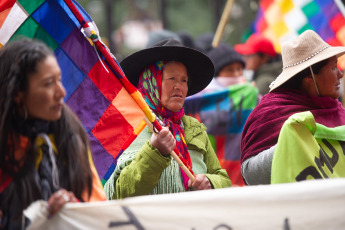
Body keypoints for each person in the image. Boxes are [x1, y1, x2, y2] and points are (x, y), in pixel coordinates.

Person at [104, 39, 232, 199]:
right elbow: (119, 192)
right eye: (172, 79)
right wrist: (156, 151)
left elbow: (223, 179)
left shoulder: (194, 128)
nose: (179, 86)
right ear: (151, 81)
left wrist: (211, 182)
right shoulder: (130, 125)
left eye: (184, 80)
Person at [0, 39, 106, 229]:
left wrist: (75, 212)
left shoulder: (72, 136)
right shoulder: (5, 148)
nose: (61, 92)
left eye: (59, 79)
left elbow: (99, 213)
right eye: (48, 83)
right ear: (17, 93)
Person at [240, 30, 345, 185]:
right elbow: (250, 175)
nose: (340, 74)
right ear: (310, 76)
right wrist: (291, 143)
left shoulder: (335, 109)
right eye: (333, 68)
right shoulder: (270, 113)